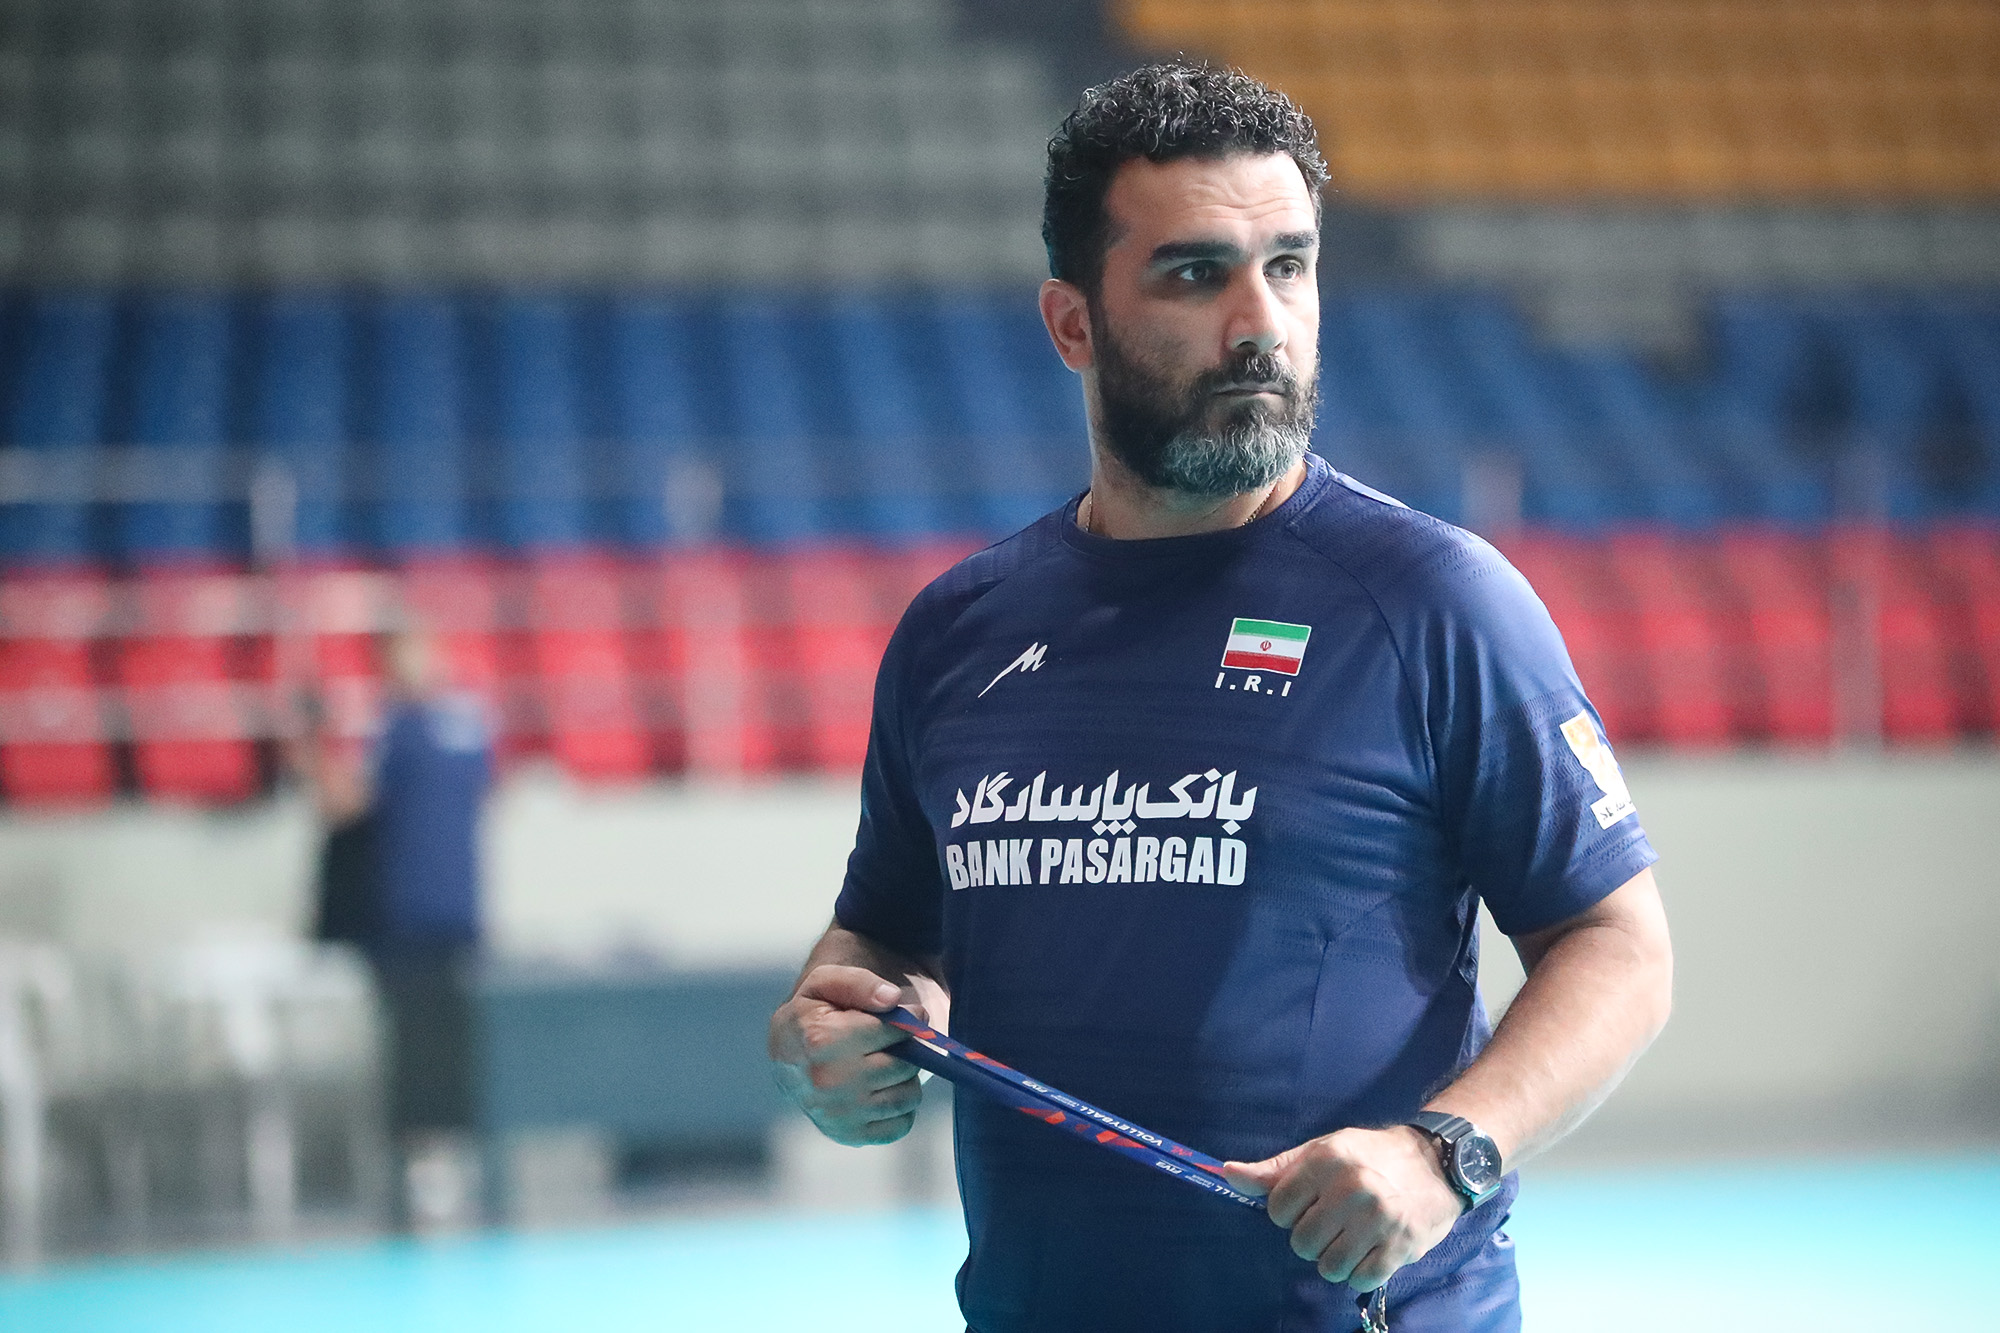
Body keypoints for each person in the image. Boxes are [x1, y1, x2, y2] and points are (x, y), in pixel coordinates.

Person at [768, 63, 1673, 1333]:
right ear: (1071, 324)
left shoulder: (1435, 603)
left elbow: (1619, 948)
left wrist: (1444, 1151)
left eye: (1288, 267)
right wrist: (841, 1024)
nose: (1260, 324)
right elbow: (879, 937)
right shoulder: (957, 633)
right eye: (1195, 274)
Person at [294, 624, 493, 1228]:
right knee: (428, 1044)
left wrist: (310, 749)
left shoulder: (404, 730)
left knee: (425, 1048)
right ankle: (435, 1162)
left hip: (421, 917)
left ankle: (432, 1162)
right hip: (428, 916)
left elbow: (345, 804)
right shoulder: (466, 726)